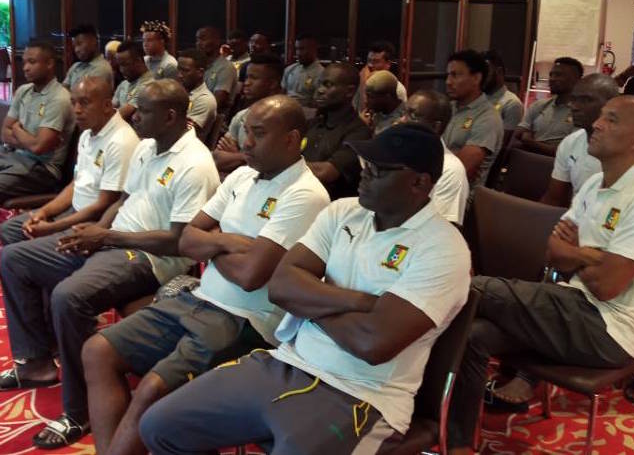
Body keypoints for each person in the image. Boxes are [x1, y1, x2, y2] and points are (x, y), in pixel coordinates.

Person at [138, 123, 471, 455]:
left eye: (379, 170)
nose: (364, 174)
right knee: (160, 426)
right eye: (365, 165)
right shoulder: (343, 212)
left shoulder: (443, 249)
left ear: (419, 182)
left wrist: (309, 302)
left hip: (359, 395)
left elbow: (372, 344)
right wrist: (361, 302)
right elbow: (281, 287)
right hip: (287, 362)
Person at [81, 96, 330, 455]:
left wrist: (212, 246)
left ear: (291, 139)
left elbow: (250, 276)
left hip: (246, 321)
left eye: (258, 134)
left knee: (151, 388)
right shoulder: (242, 176)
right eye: (246, 132)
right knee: (98, 350)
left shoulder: (305, 194)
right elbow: (187, 239)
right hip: (198, 299)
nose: (246, 143)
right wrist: (230, 242)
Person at [446, 97, 634, 453]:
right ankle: (459, 444)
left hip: (610, 330)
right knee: (473, 334)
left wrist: (575, 253)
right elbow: (553, 253)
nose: (597, 125)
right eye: (600, 116)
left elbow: (606, 286)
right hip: (574, 306)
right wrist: (591, 256)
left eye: (612, 120)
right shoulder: (595, 184)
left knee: (474, 289)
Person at [0, 79, 219, 449]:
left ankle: (79, 410)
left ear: (169, 116)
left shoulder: (195, 164)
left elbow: (180, 241)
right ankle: (36, 362)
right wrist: (95, 231)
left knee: (69, 296)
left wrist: (107, 237)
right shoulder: (148, 146)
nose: (132, 115)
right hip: (114, 241)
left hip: (150, 257)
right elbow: (122, 201)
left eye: (142, 110)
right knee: (14, 258)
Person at [0, 76, 138, 248]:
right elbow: (75, 185)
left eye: (84, 103)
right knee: (8, 230)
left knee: (11, 255)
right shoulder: (87, 134)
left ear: (107, 105)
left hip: (92, 224)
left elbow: (105, 205)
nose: (77, 110)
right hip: (71, 212)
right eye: (73, 103)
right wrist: (43, 212)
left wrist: (52, 227)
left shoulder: (120, 141)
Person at [541, 74, 634, 207]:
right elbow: (554, 198)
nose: (574, 106)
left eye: (586, 100)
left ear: (612, 104)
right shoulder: (571, 142)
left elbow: (621, 212)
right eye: (573, 99)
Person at [0, 40, 75, 202]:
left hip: (41, 169)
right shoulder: (23, 91)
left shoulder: (59, 98)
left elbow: (38, 147)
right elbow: (4, 134)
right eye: (24, 62)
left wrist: (17, 129)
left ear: (49, 64)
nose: (25, 67)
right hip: (14, 155)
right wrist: (29, 141)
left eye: (32, 62)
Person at [400, 89, 469, 225]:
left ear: (435, 127)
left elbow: (441, 230)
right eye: (404, 113)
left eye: (413, 115)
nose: (402, 120)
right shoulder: (399, 154)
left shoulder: (450, 170)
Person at [303, 62, 371, 199]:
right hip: (300, 196)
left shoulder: (359, 132)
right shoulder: (312, 124)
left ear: (349, 91)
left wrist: (284, 166)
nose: (319, 90)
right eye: (319, 84)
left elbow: (327, 172)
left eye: (327, 85)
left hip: (334, 205)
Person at [442, 49, 503, 197]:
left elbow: (459, 170)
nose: (448, 82)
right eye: (448, 75)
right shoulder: (448, 108)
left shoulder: (488, 118)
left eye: (455, 75)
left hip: (459, 195)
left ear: (476, 78)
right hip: (434, 184)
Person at [214, 52, 284, 174]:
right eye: (247, 77)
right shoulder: (241, 115)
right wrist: (245, 157)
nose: (246, 83)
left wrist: (236, 156)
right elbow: (217, 159)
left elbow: (273, 164)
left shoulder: (285, 118)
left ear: (273, 84)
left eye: (254, 78)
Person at [514, 57, 583, 156]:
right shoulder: (539, 105)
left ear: (577, 80)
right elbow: (518, 133)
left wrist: (531, 143)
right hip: (526, 159)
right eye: (551, 75)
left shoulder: (581, 113)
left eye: (559, 75)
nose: (552, 79)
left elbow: (568, 153)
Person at [176, 48, 217, 142]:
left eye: (185, 71)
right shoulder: (178, 92)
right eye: (179, 70)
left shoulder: (205, 100)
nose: (179, 75)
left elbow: (184, 133)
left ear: (200, 72)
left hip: (186, 147)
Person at [353, 40, 407, 112]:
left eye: (376, 61)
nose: (370, 65)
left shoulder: (397, 88)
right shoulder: (361, 81)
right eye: (369, 60)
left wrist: (363, 84)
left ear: (388, 64)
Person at [196, 26, 237, 112]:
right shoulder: (200, 66)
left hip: (213, 115)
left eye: (203, 39)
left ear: (217, 42)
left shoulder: (226, 67)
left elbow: (217, 102)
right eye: (197, 39)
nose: (198, 43)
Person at [62, 25, 114, 91]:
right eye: (74, 46)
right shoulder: (75, 66)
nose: (76, 50)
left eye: (79, 44)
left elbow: (85, 96)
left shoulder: (102, 68)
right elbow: (63, 91)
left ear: (94, 42)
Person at [113, 41, 155, 122]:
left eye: (125, 64)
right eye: (119, 65)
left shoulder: (149, 86)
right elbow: (110, 108)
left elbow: (120, 115)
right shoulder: (124, 84)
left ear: (138, 61)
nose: (121, 70)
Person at [483, 49, 524, 130]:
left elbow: (504, 138)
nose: (481, 77)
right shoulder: (475, 99)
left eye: (485, 72)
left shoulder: (511, 103)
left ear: (499, 72)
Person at [282, 34, 324, 107]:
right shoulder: (290, 69)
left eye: (302, 49)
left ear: (313, 49)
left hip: (306, 111)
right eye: (297, 49)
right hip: (285, 107)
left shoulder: (321, 73)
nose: (298, 53)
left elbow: (317, 102)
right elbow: (282, 91)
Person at [362, 70, 405, 135]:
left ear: (387, 96)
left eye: (371, 97)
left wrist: (364, 129)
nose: (366, 101)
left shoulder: (403, 120)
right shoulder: (376, 112)